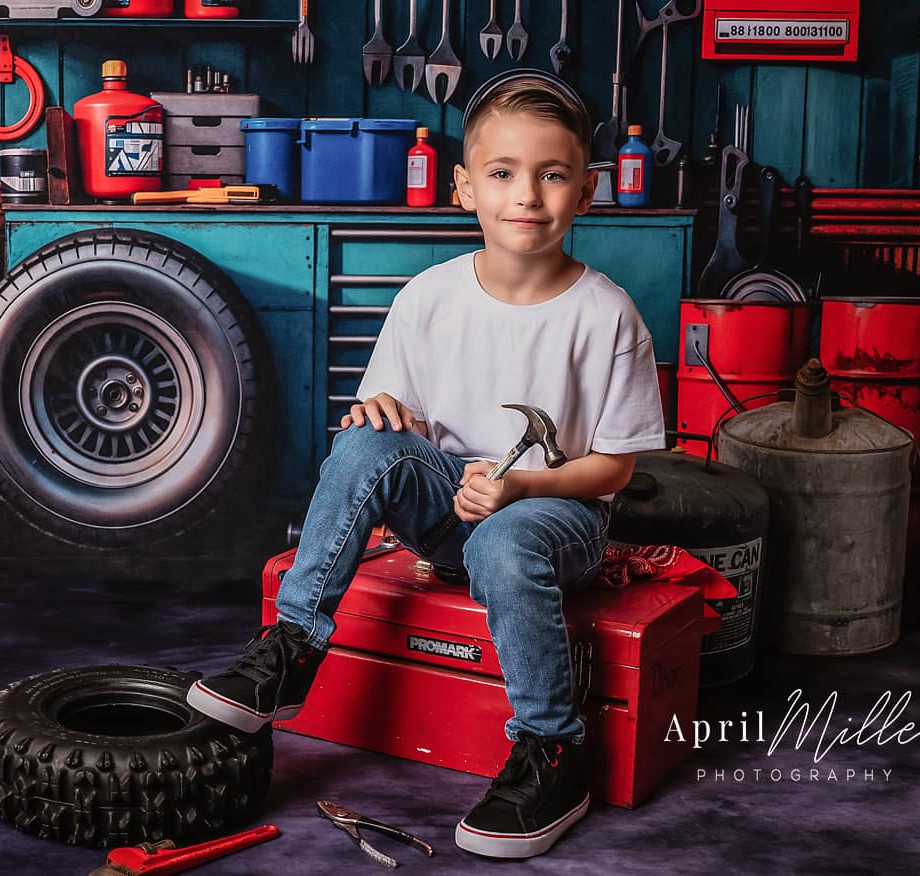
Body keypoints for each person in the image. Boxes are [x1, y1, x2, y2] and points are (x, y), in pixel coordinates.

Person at [187, 70, 665, 859]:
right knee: (361, 446)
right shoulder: (427, 297)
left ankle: (552, 751)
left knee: (505, 541)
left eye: (552, 175)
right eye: (503, 173)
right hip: (448, 504)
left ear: (586, 192)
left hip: (555, 515)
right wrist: (374, 417)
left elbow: (612, 470)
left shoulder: (605, 313)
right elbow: (385, 420)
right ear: (463, 187)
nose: (527, 195)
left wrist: (522, 485)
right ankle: (294, 647)